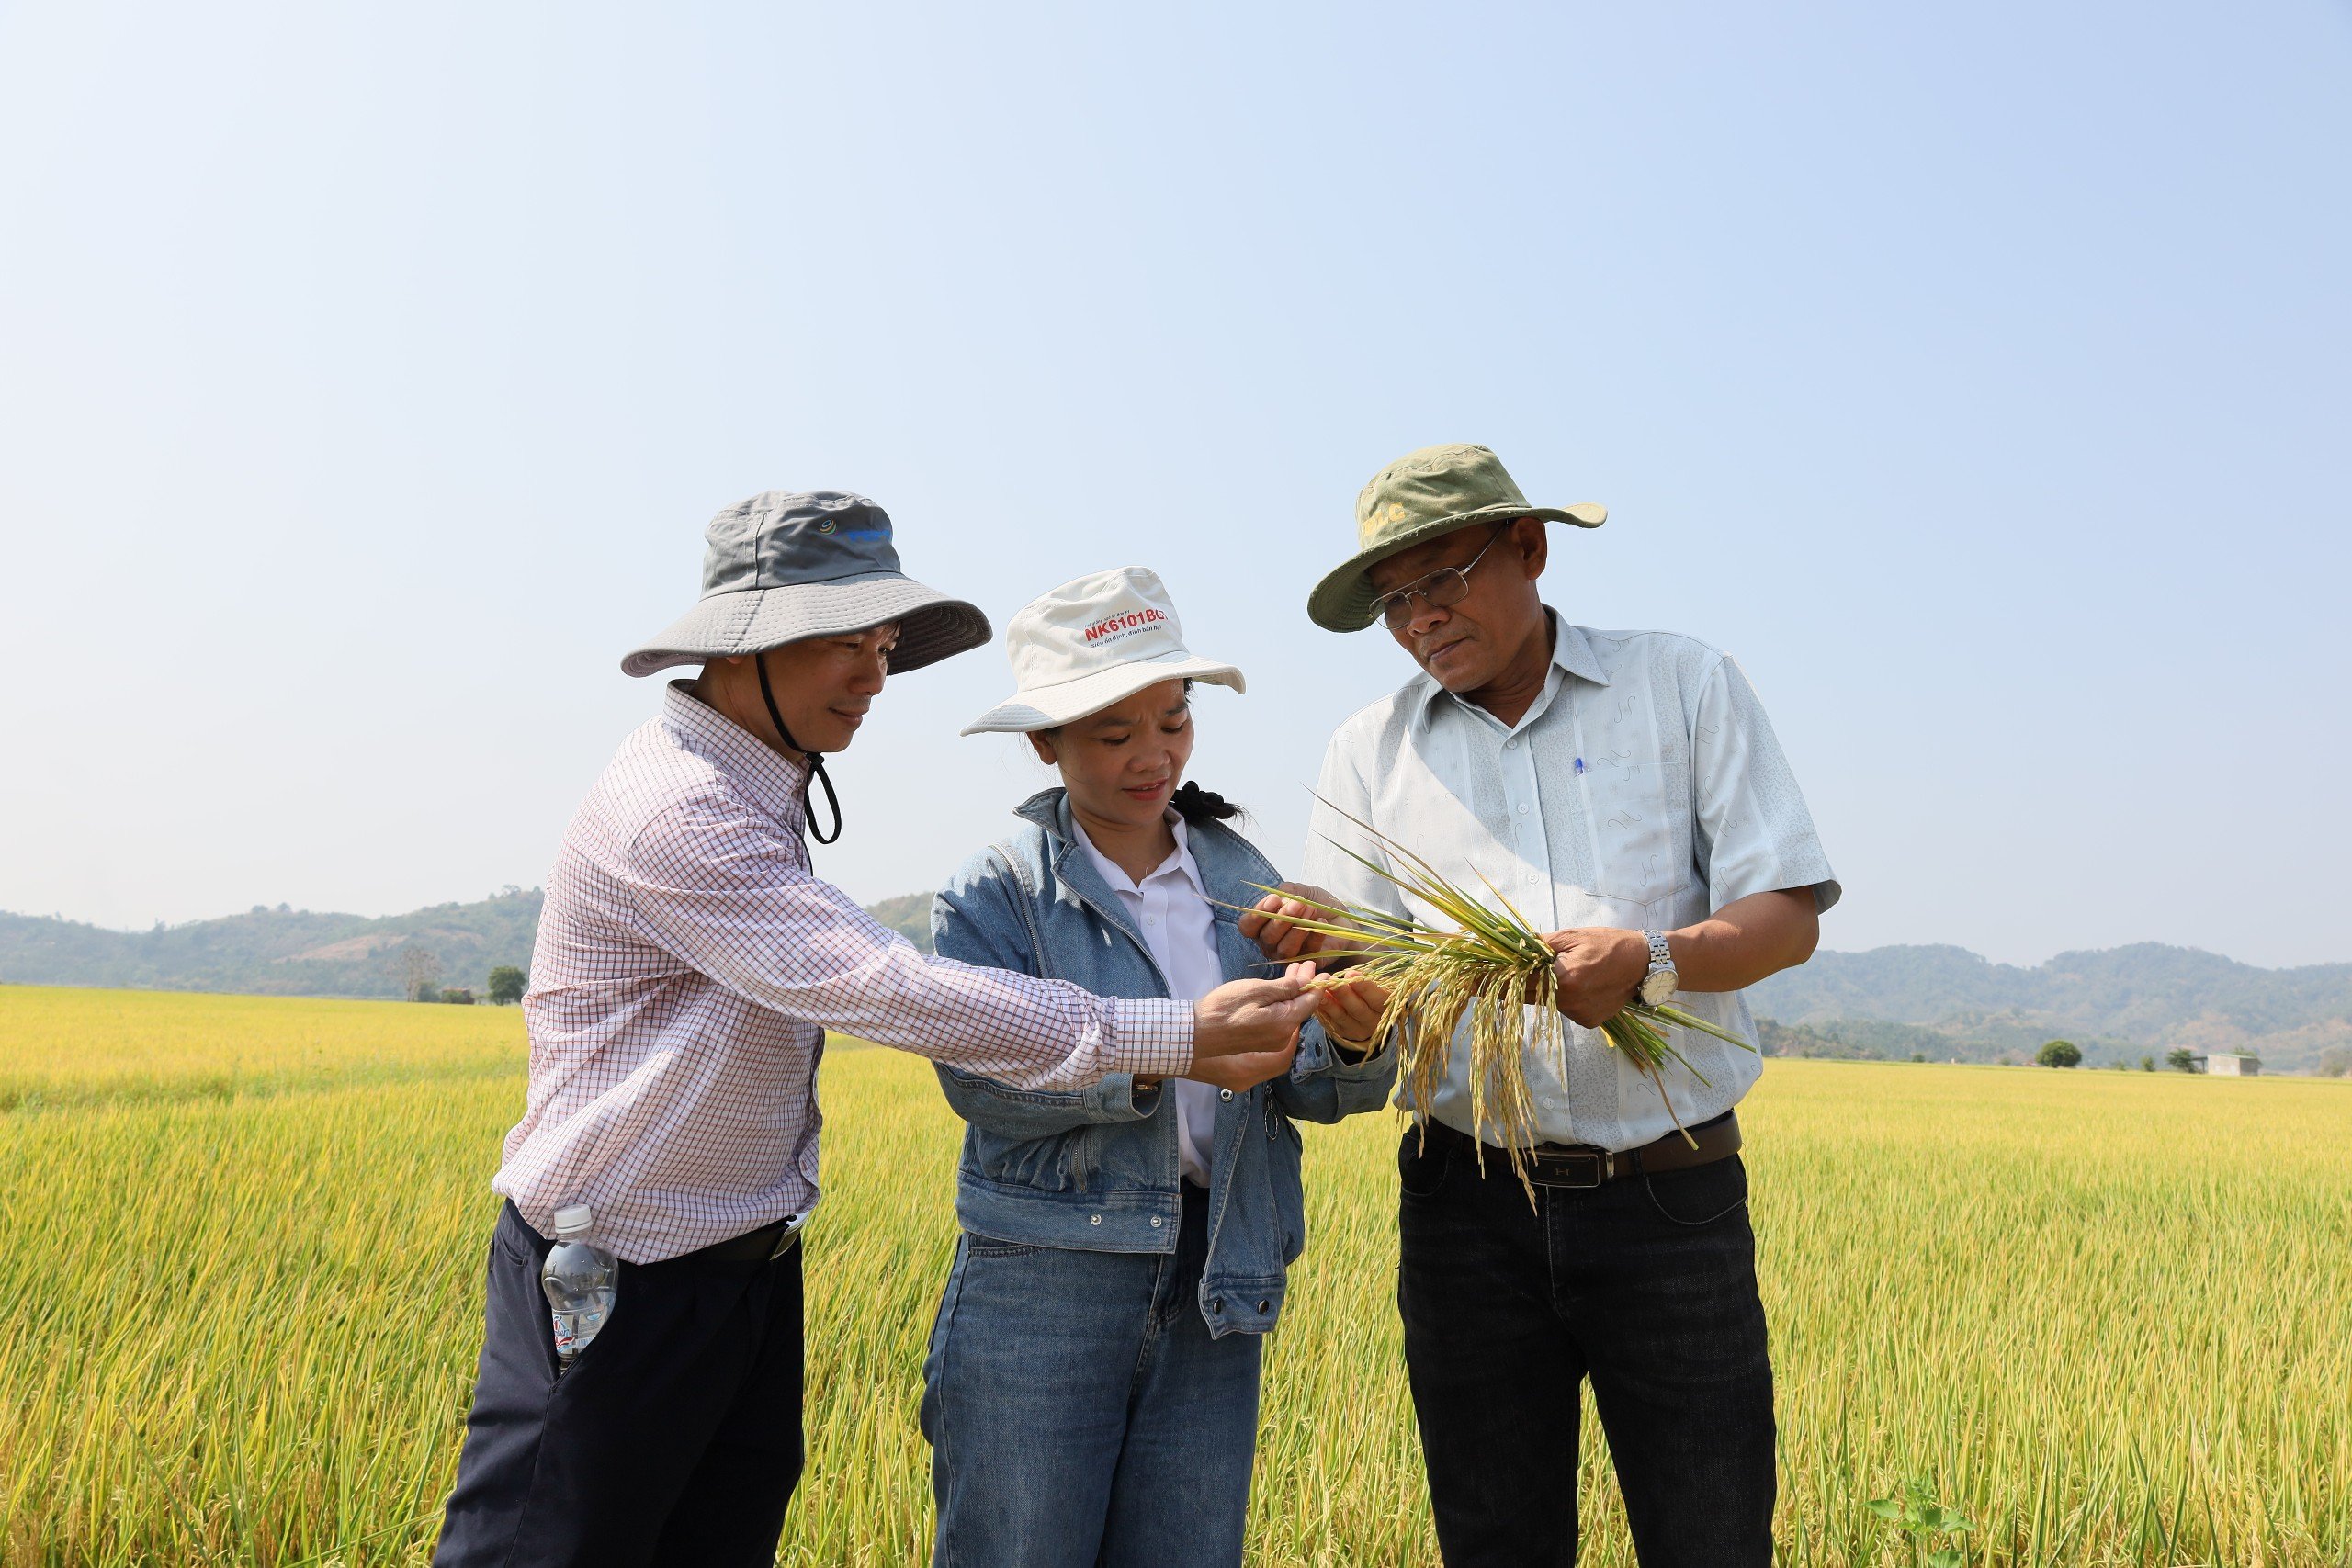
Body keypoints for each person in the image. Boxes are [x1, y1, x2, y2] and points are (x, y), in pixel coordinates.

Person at [431, 493, 1321, 1568]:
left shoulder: (761, 790)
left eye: (884, 643)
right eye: (837, 644)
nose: (873, 676)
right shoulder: (682, 810)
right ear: (742, 645)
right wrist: (1173, 1038)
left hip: (741, 1269)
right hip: (620, 1276)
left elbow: (1318, 1079)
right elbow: (879, 985)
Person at [1246, 445, 1839, 1567]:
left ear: (1529, 548)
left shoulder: (1681, 684)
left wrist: (1650, 960)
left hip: (1671, 1200)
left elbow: (1787, 918)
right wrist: (1335, 992)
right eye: (1393, 602)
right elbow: (1373, 1004)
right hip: (1464, 1206)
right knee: (1493, 1541)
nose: (1419, 619)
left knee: (1710, 1537)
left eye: (1441, 580)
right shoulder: (1368, 753)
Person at [919, 567, 1398, 1568]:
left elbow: (1313, 1085)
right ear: (1044, 744)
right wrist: (1175, 1049)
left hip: (1217, 1277)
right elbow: (983, 1085)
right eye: (1113, 734)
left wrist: (1353, 1035)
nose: (1154, 756)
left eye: (1174, 721)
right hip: (1042, 1280)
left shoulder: (1248, 885)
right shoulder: (997, 892)